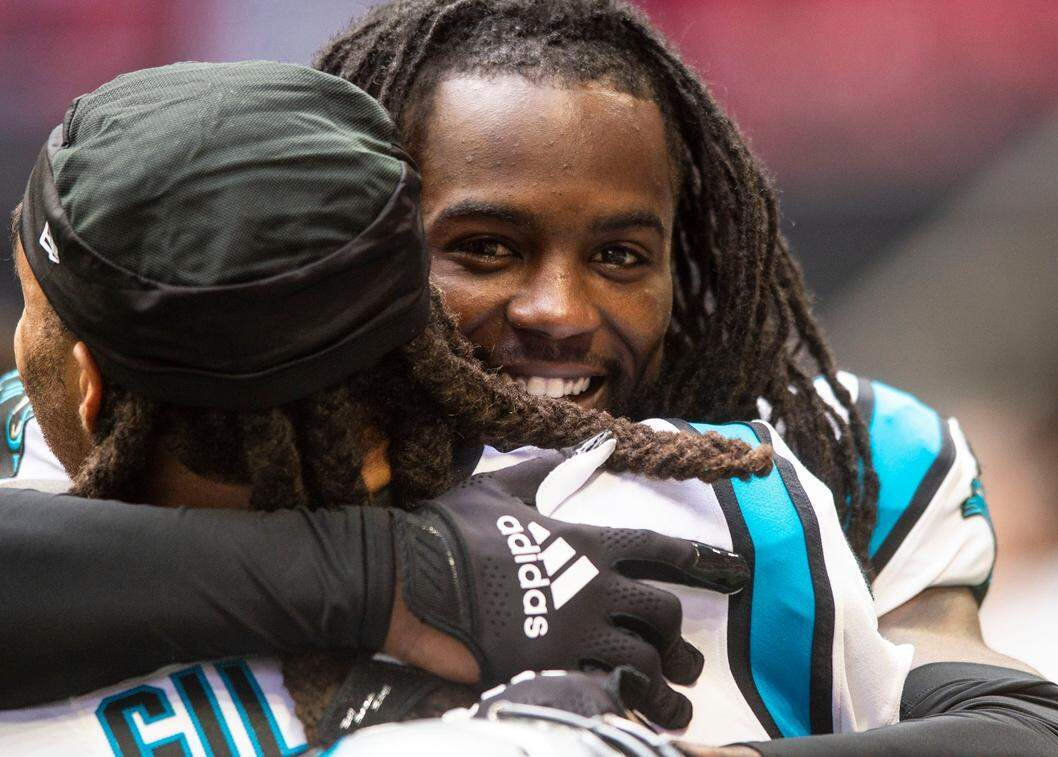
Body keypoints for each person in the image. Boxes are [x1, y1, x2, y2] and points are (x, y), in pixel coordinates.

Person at [0, 61, 912, 753]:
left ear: (88, 385)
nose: (554, 308)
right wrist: (386, 571)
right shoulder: (728, 511)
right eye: (486, 247)